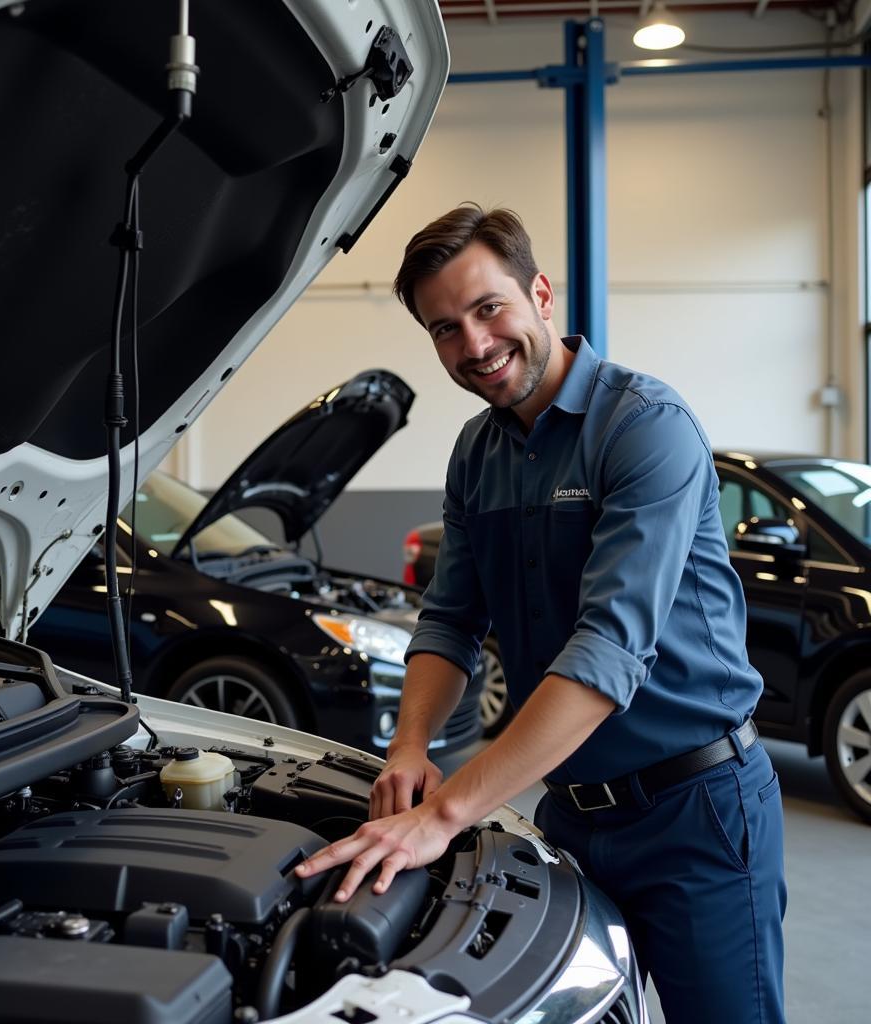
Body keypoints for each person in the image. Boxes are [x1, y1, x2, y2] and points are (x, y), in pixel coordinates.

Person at [295, 204, 787, 1023]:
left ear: (541, 294)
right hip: (567, 812)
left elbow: (608, 650)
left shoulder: (644, 428)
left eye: (490, 309)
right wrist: (410, 747)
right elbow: (449, 620)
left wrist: (447, 815)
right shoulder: (476, 454)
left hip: (695, 814)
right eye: (445, 328)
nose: (475, 346)